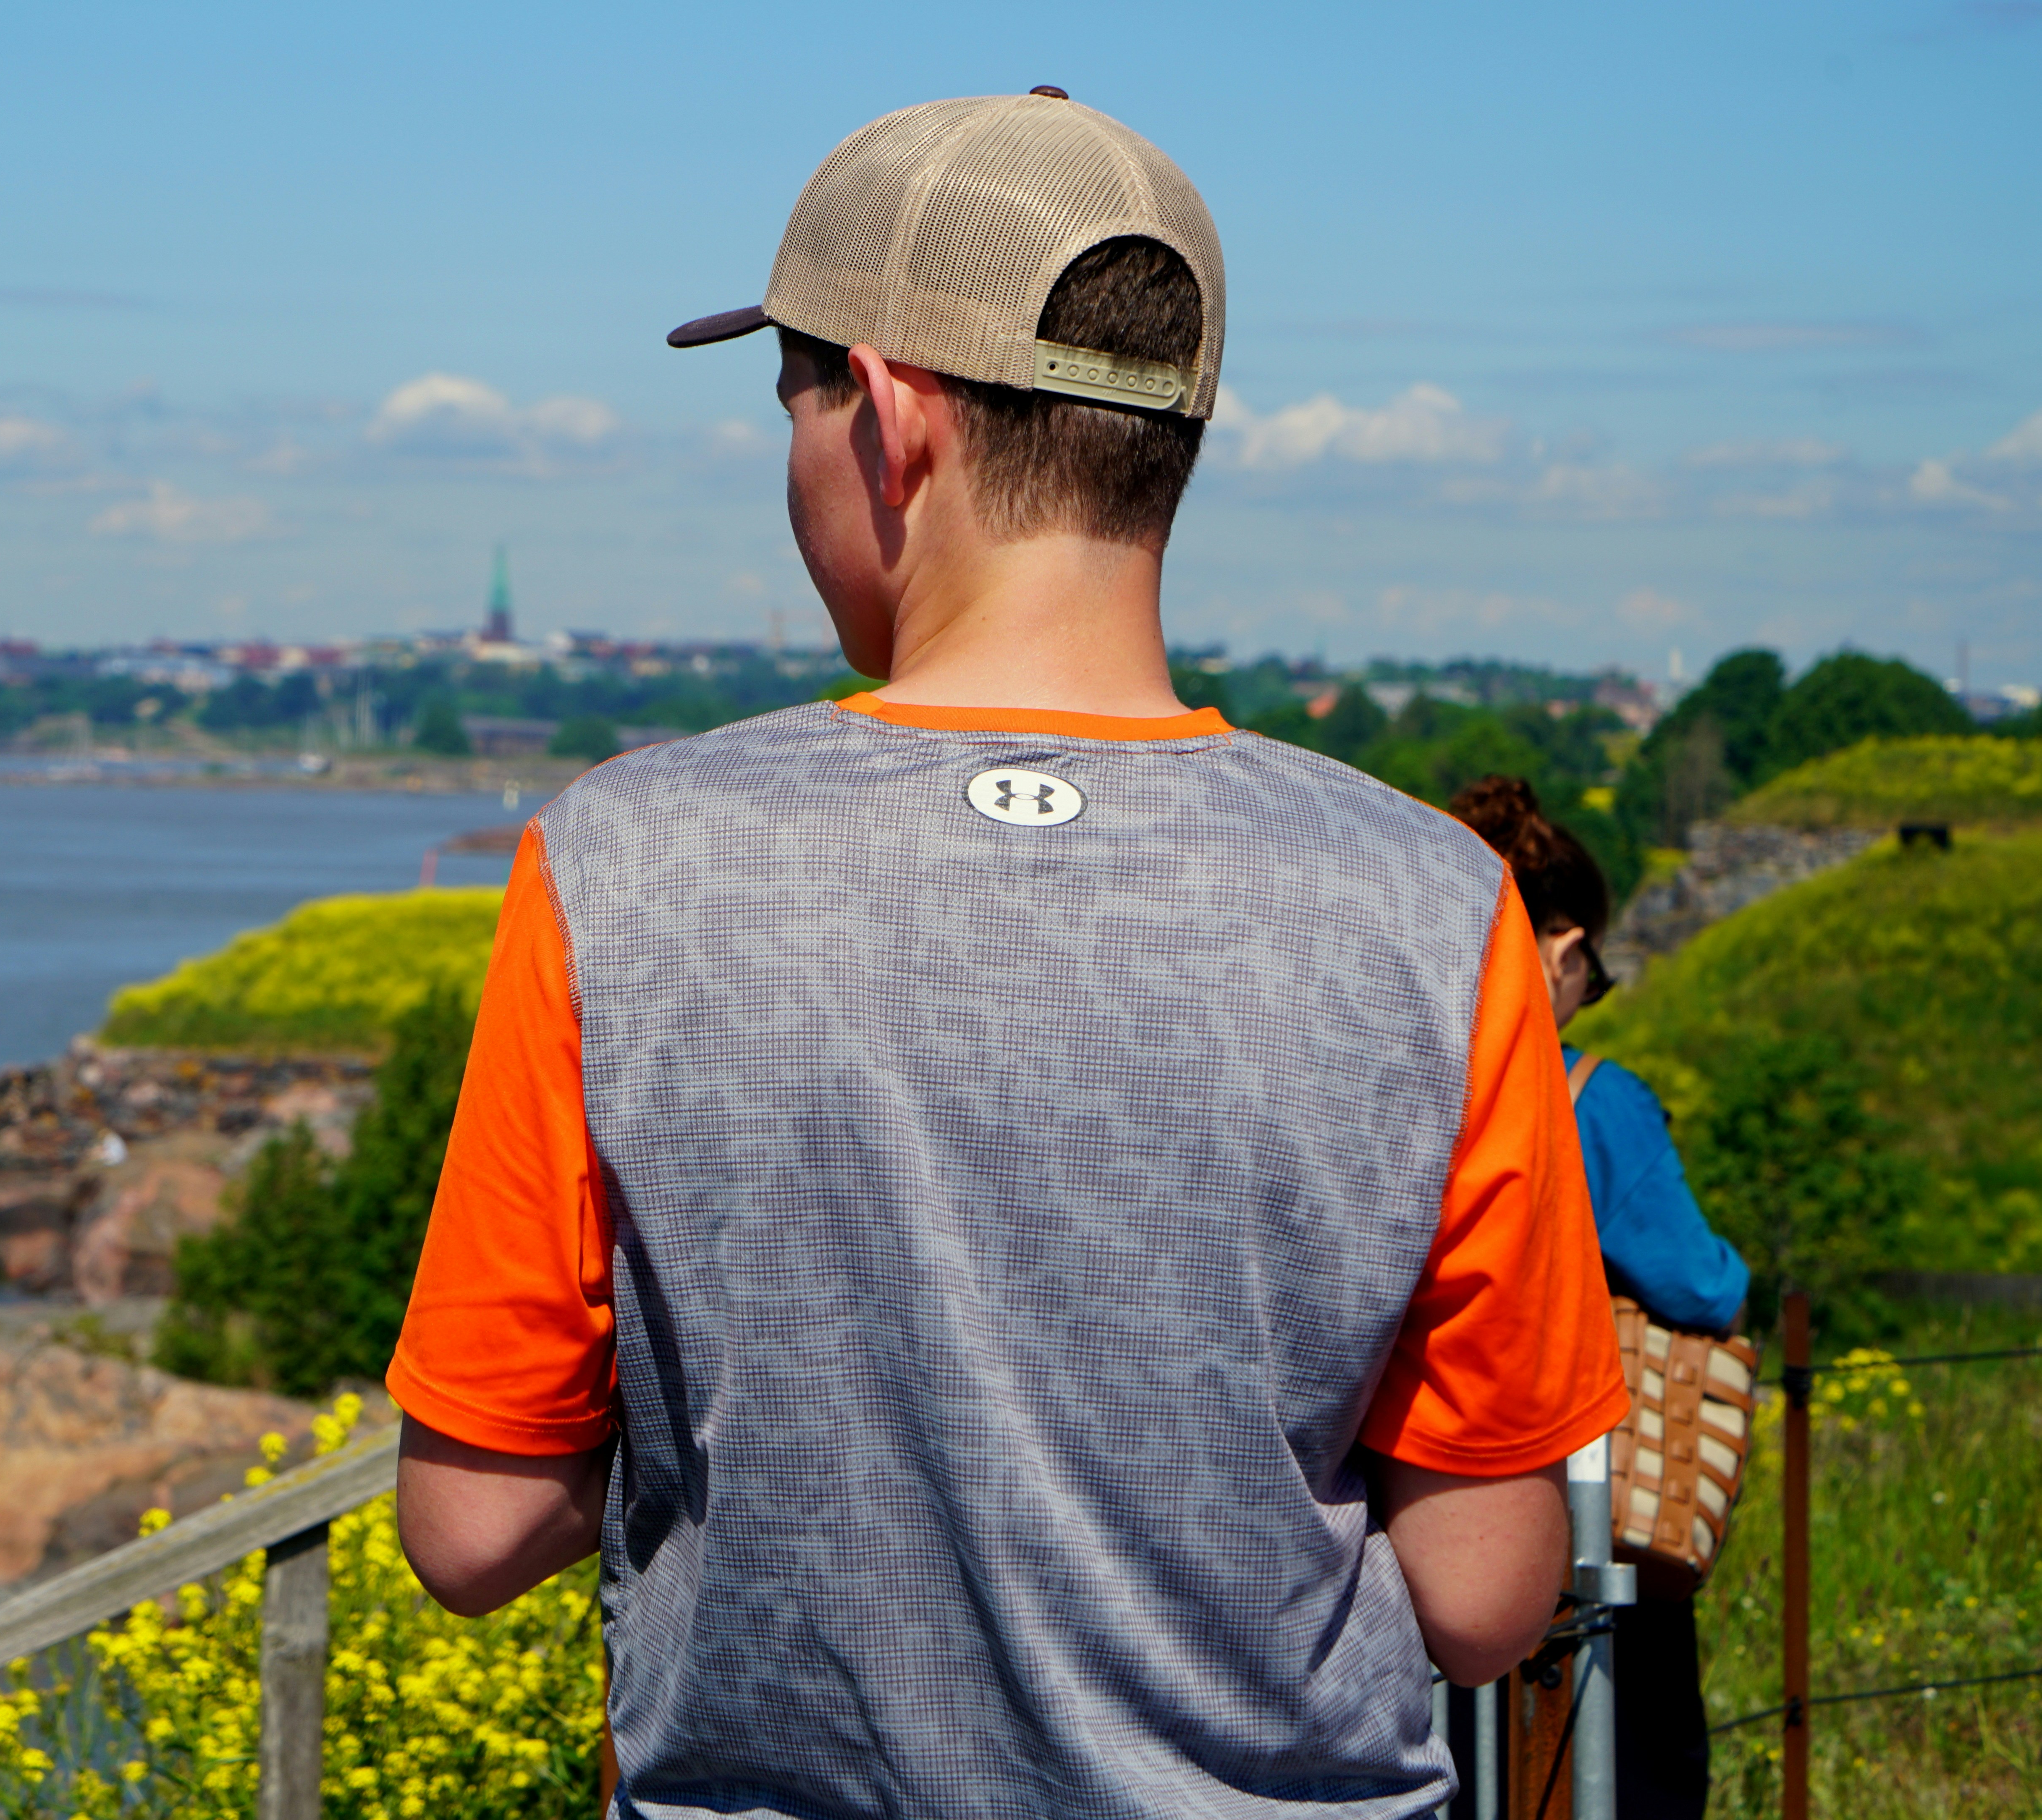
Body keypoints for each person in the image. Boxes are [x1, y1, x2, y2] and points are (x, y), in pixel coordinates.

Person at [387, 91, 1630, 1819]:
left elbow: (471, 1524)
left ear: (890, 414)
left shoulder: (626, 861)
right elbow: (1490, 1598)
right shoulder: (1432, 899)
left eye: (794, 401)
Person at [1452, 774, 1751, 1820]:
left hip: (1418, 1506)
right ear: (1568, 949)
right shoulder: (1595, 1101)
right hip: (1576, 1510)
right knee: (1635, 1772)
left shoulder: (1403, 1077)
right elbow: (1697, 1282)